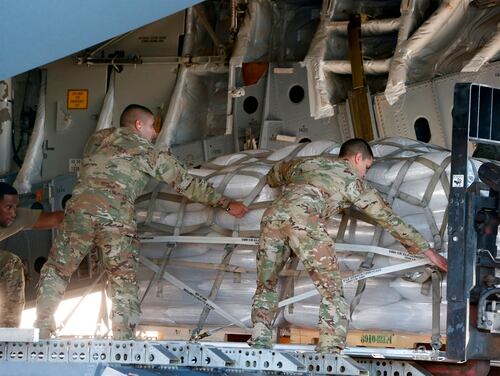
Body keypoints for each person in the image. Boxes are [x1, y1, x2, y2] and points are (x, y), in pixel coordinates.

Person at [34, 104, 249, 339]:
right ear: (138, 125)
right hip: (115, 219)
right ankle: (123, 339)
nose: (154, 133)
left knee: (57, 270)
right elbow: (186, 184)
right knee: (122, 280)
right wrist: (225, 203)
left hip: (78, 214)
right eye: (151, 127)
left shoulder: (98, 139)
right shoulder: (147, 152)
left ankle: (43, 328)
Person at [249, 138, 447, 354]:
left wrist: (281, 182)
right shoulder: (352, 181)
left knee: (266, 285)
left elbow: (275, 173)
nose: (364, 173)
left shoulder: (307, 163)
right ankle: (329, 349)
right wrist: (427, 252)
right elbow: (389, 220)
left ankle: (260, 341)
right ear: (357, 158)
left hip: (272, 219)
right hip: (304, 223)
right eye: (366, 167)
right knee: (331, 292)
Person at [0, 182, 64, 327]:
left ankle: (8, 333)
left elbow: (57, 219)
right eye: (8, 207)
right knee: (9, 262)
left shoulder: (14, 218)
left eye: (15, 207)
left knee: (11, 263)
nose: (13, 213)